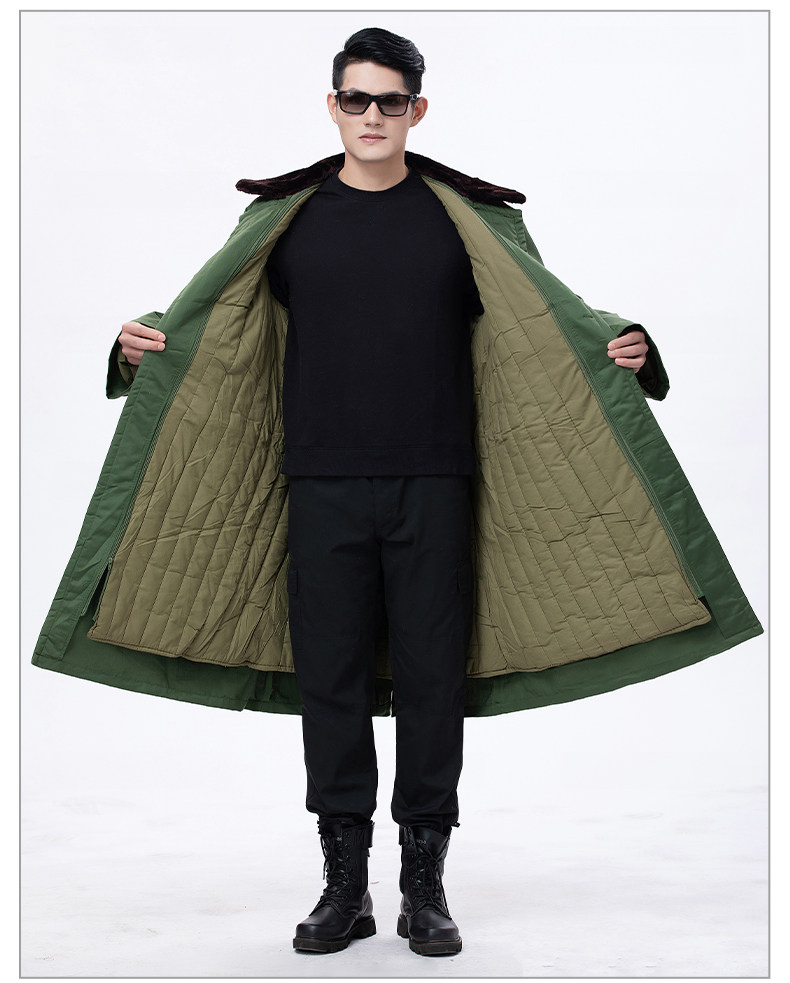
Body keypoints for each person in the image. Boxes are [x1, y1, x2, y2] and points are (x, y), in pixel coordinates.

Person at [33, 25, 762, 963]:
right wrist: (138, 347)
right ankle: (345, 887)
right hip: (318, 481)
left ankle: (424, 886)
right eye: (355, 99)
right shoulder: (283, 219)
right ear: (332, 105)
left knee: (432, 683)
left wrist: (626, 341)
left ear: (418, 109)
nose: (371, 115)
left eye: (390, 101)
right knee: (329, 684)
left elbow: (546, 317)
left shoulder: (467, 218)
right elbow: (213, 323)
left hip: (438, 478)